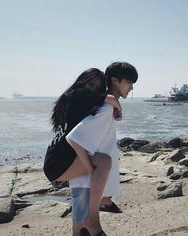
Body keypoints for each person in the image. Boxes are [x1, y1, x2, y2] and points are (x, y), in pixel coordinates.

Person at [43, 68, 122, 235]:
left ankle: (83, 225)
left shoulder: (69, 102)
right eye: (90, 84)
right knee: (102, 162)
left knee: (91, 172)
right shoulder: (77, 94)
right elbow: (109, 99)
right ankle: (93, 218)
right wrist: (117, 108)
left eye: (96, 88)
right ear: (81, 82)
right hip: (58, 163)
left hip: (54, 161)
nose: (92, 90)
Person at [66, 62, 138, 236]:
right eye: (129, 82)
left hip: (84, 183)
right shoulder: (106, 108)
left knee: (80, 231)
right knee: (87, 229)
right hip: (86, 183)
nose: (131, 87)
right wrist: (92, 169)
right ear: (115, 80)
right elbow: (74, 137)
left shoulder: (106, 107)